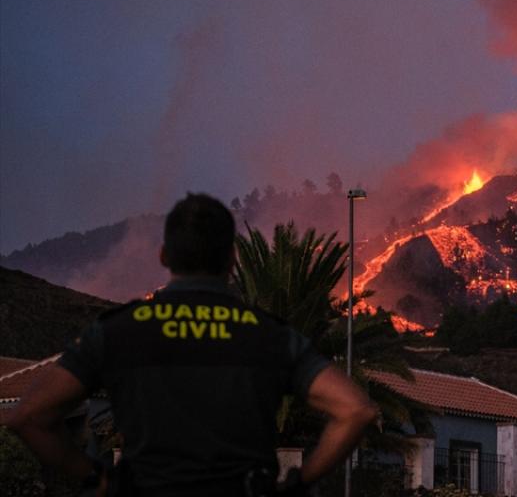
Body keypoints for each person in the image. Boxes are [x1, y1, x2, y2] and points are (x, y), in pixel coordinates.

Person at [7, 193, 378, 495]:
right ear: (233, 258)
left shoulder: (120, 331)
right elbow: (356, 409)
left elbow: (29, 416)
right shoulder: (268, 336)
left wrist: (97, 477)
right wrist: (299, 484)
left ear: (164, 256)